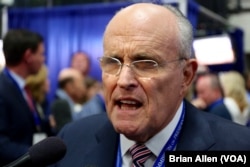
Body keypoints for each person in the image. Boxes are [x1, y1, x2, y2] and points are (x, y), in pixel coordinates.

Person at [50, 3, 250, 167]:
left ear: (186, 76)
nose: (123, 80)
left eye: (145, 64)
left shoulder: (238, 148)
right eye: (113, 62)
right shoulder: (72, 140)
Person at [0, 29, 45, 166]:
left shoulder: (23, 88)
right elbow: (1, 145)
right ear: (28, 56)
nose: (43, 59)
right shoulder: (2, 90)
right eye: (41, 54)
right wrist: (37, 154)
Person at [50, 68, 86, 133]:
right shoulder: (61, 105)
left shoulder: (68, 104)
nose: (84, 88)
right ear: (69, 86)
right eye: (81, 83)